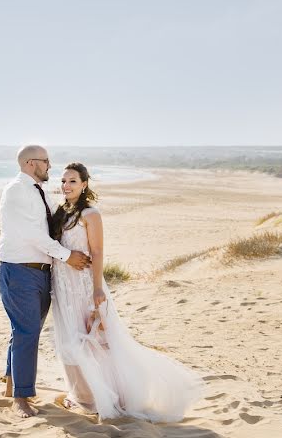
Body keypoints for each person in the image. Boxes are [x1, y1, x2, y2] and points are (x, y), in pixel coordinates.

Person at [50, 162, 204, 421]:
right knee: (70, 340)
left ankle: (108, 397)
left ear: (85, 184)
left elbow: (97, 252)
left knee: (94, 341)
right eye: (63, 181)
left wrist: (98, 289)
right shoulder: (61, 212)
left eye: (72, 181)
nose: (66, 185)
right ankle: (82, 395)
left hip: (84, 286)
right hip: (63, 285)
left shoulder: (90, 214)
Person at [0, 145, 92, 418]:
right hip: (18, 271)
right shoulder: (16, 190)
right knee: (27, 332)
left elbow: (59, 218)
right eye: (45, 161)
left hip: (41, 273)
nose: (50, 166)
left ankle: (11, 384)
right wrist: (67, 256)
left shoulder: (40, 192)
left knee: (24, 331)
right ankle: (21, 398)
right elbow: (32, 235)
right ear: (30, 163)